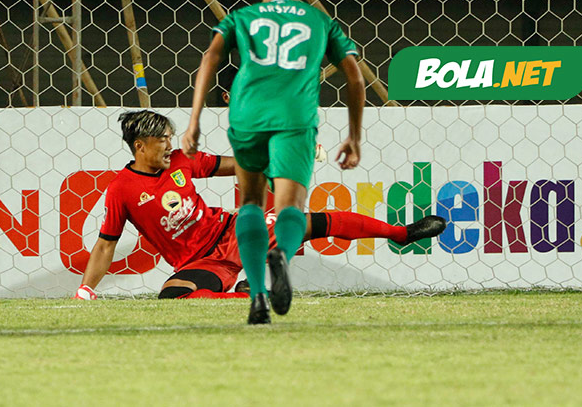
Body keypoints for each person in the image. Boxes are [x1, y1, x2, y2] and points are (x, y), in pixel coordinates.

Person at [76, 110, 446, 301]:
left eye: (171, 138)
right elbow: (107, 243)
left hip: (233, 232)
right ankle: (247, 295)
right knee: (174, 297)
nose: (170, 145)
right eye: (162, 140)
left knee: (307, 221)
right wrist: (87, 289)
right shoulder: (121, 190)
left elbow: (239, 163)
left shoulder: (181, 161)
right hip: (199, 262)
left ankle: (401, 233)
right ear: (140, 145)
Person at [183, 0, 357, 324]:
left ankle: (258, 297)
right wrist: (354, 136)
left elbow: (209, 58)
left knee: (249, 201)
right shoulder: (321, 21)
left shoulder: (241, 16)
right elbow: (355, 77)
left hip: (247, 115)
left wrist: (194, 121)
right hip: (294, 117)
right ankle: (281, 256)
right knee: (289, 208)